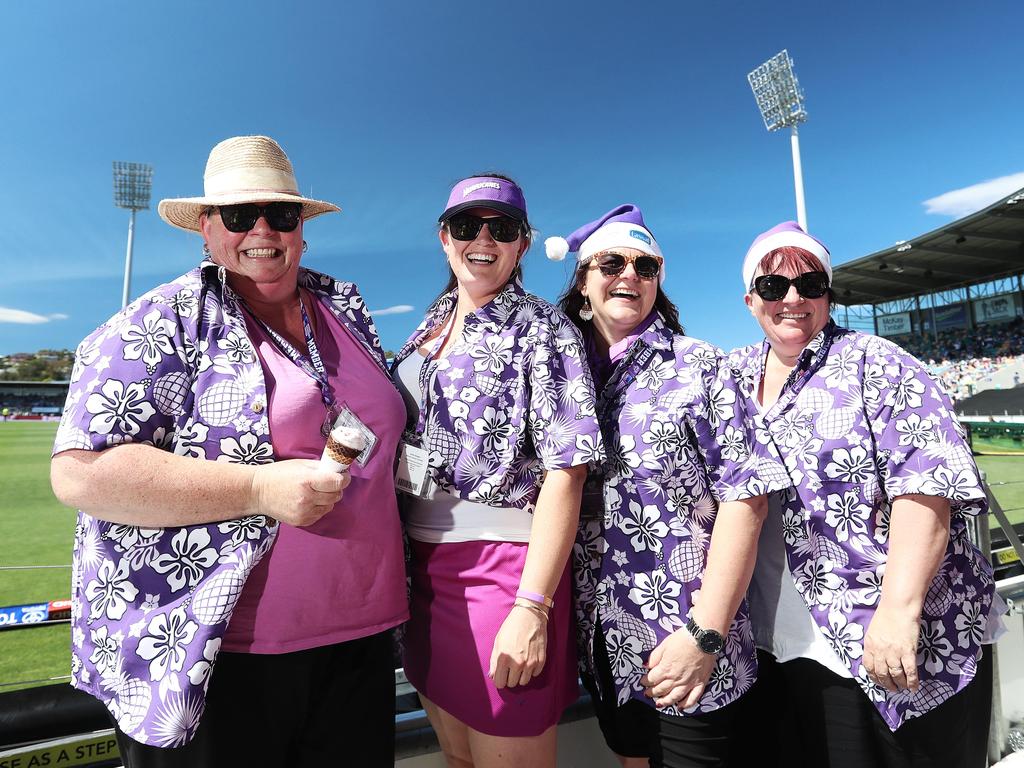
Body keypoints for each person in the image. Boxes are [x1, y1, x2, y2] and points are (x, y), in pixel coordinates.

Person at [50, 136, 408, 766]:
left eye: (281, 214)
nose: (262, 230)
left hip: (361, 638)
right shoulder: (158, 320)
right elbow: (81, 475)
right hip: (216, 654)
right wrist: (257, 488)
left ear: (303, 229)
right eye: (240, 216)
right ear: (207, 230)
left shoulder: (345, 310)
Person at [730, 221, 1003, 768]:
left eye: (810, 285)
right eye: (773, 287)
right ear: (749, 299)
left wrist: (899, 613)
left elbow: (927, 487)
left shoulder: (880, 363)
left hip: (895, 635)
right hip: (782, 643)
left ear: (828, 296)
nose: (792, 299)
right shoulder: (731, 375)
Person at [551, 205, 790, 768]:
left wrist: (705, 634)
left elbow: (745, 499)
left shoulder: (699, 365)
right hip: (604, 639)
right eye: (612, 262)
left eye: (646, 265)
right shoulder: (561, 375)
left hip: (688, 637)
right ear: (583, 282)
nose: (629, 274)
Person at [391, 174, 604, 768]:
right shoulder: (426, 329)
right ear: (444, 238)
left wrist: (532, 605)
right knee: (458, 757)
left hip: (503, 568)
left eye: (501, 228)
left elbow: (569, 470)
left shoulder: (545, 329)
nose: (482, 239)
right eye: (466, 226)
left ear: (522, 244)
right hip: (424, 574)